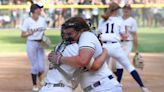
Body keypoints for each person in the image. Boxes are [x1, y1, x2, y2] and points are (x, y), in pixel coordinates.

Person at [48, 16, 122, 92]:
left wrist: (59, 59)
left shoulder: (86, 35)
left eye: (70, 34)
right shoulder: (74, 46)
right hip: (98, 87)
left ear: (82, 30)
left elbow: (87, 63)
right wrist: (105, 52)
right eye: (64, 34)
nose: (66, 37)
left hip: (105, 87)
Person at [98, 2, 150, 92]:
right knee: (129, 67)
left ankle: (106, 87)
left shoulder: (102, 20)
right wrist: (125, 36)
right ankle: (142, 87)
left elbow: (99, 33)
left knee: (104, 69)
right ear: (115, 11)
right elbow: (124, 36)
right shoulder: (119, 20)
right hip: (115, 46)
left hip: (104, 47)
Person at [20, 3, 46, 92]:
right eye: (39, 8)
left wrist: (44, 40)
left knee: (42, 67)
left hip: (40, 43)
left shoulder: (42, 20)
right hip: (31, 43)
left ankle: (41, 78)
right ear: (34, 10)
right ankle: (35, 85)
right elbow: (22, 35)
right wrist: (30, 33)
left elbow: (43, 32)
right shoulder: (27, 21)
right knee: (35, 66)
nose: (41, 10)